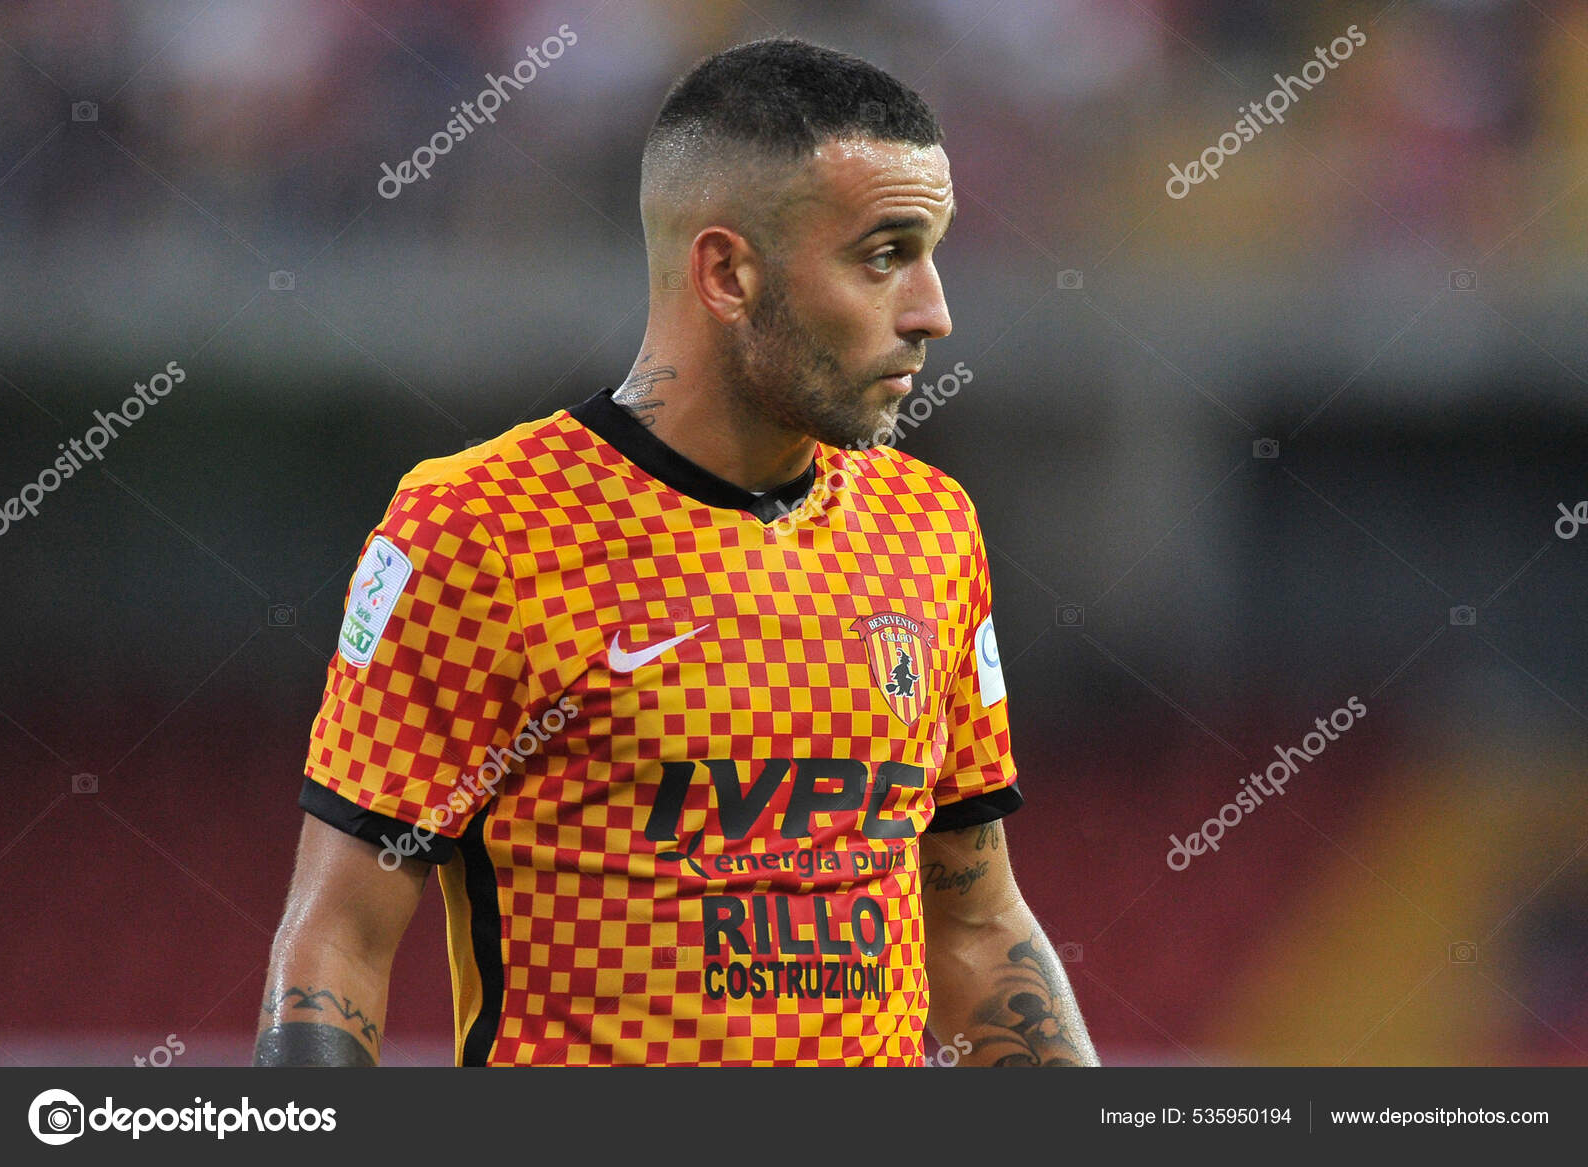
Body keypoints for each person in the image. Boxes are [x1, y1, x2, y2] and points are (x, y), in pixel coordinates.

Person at [254, 36, 1098, 1068]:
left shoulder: (928, 527)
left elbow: (975, 926)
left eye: (932, 253)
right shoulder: (480, 530)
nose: (932, 311)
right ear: (727, 273)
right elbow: (340, 939)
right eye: (884, 255)